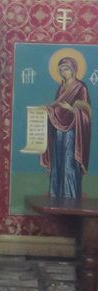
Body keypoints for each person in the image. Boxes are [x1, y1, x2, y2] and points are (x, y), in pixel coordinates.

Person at [42, 56, 91, 200]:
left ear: (73, 70)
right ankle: (56, 194)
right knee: (58, 160)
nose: (64, 72)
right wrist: (48, 110)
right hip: (59, 129)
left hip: (73, 130)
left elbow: (86, 113)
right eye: (61, 70)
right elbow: (56, 107)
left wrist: (71, 109)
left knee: (69, 161)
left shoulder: (81, 87)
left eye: (66, 69)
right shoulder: (61, 88)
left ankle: (70, 195)